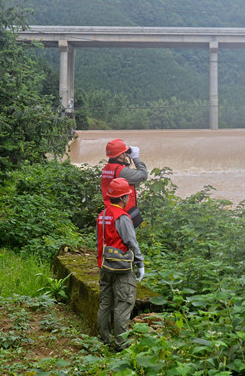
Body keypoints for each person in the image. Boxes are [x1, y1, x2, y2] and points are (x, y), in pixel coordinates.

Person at [97, 177, 145, 351]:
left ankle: (103, 340)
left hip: (105, 265)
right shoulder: (123, 217)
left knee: (105, 303)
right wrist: (140, 263)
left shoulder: (102, 215)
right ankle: (120, 345)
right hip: (122, 268)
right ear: (124, 197)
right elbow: (131, 242)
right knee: (123, 304)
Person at [101, 138, 148, 227]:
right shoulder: (121, 171)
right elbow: (143, 174)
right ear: (121, 155)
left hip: (110, 213)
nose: (126, 154)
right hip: (123, 215)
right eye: (124, 153)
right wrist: (135, 157)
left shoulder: (107, 168)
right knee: (126, 239)